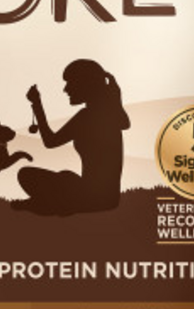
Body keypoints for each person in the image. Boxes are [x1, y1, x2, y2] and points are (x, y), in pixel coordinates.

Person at [16, 59, 130, 215]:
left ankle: (53, 206)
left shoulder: (87, 117)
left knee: (26, 175)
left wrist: (37, 104)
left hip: (93, 197)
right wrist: (116, 99)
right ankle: (53, 205)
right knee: (66, 178)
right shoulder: (109, 115)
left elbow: (50, 141)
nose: (66, 89)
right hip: (109, 199)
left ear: (86, 85)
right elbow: (125, 122)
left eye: (71, 83)